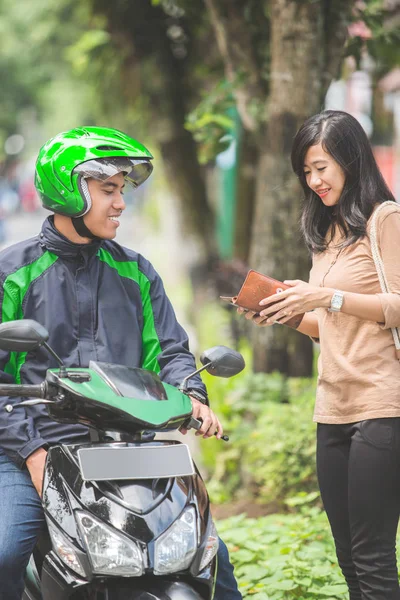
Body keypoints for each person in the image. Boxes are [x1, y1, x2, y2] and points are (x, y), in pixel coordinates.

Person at [0, 126, 242, 600]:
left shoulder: (136, 271)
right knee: (5, 551)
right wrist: (31, 451)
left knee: (211, 563)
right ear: (70, 190)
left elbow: (170, 351)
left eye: (122, 190)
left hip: (130, 445)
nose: (120, 203)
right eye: (108, 189)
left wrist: (191, 395)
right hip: (35, 446)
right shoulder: (13, 273)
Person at [239, 110, 400, 600]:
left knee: (372, 555)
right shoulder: (327, 231)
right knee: (347, 554)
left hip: (381, 404)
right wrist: (286, 312)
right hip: (332, 406)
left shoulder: (385, 220)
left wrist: (324, 296)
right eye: (306, 171)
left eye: (322, 167)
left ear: (350, 159)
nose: (314, 180)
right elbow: (330, 327)